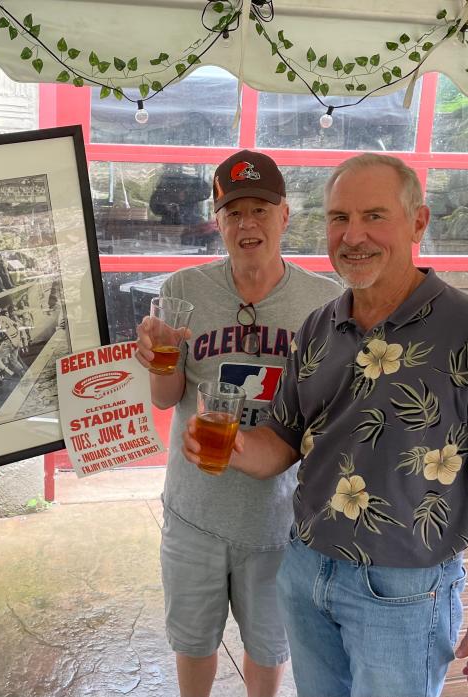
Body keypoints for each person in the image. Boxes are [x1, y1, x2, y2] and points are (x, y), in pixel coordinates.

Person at [182, 153, 468, 697]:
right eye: (338, 219)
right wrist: (227, 445)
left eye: (375, 216)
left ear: (418, 221)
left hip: (405, 588)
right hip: (306, 569)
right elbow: (282, 440)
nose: (353, 236)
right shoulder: (320, 324)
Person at [136, 150, 342, 697]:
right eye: (233, 213)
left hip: (278, 517)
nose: (247, 224)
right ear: (218, 220)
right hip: (194, 510)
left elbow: (328, 415)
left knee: (268, 648)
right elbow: (166, 398)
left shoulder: (325, 302)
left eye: (260, 209)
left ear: (285, 216)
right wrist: (158, 359)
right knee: (194, 643)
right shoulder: (183, 291)